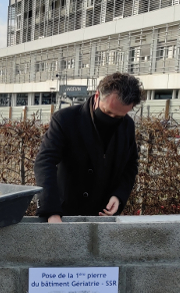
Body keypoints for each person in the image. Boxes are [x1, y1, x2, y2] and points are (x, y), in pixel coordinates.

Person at [34, 73, 144, 222]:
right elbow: (45, 162)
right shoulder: (65, 119)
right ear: (97, 95)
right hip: (64, 214)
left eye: (119, 116)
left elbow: (130, 165)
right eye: (108, 112)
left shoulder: (128, 125)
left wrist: (119, 196)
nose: (111, 120)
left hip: (103, 217)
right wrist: (51, 211)